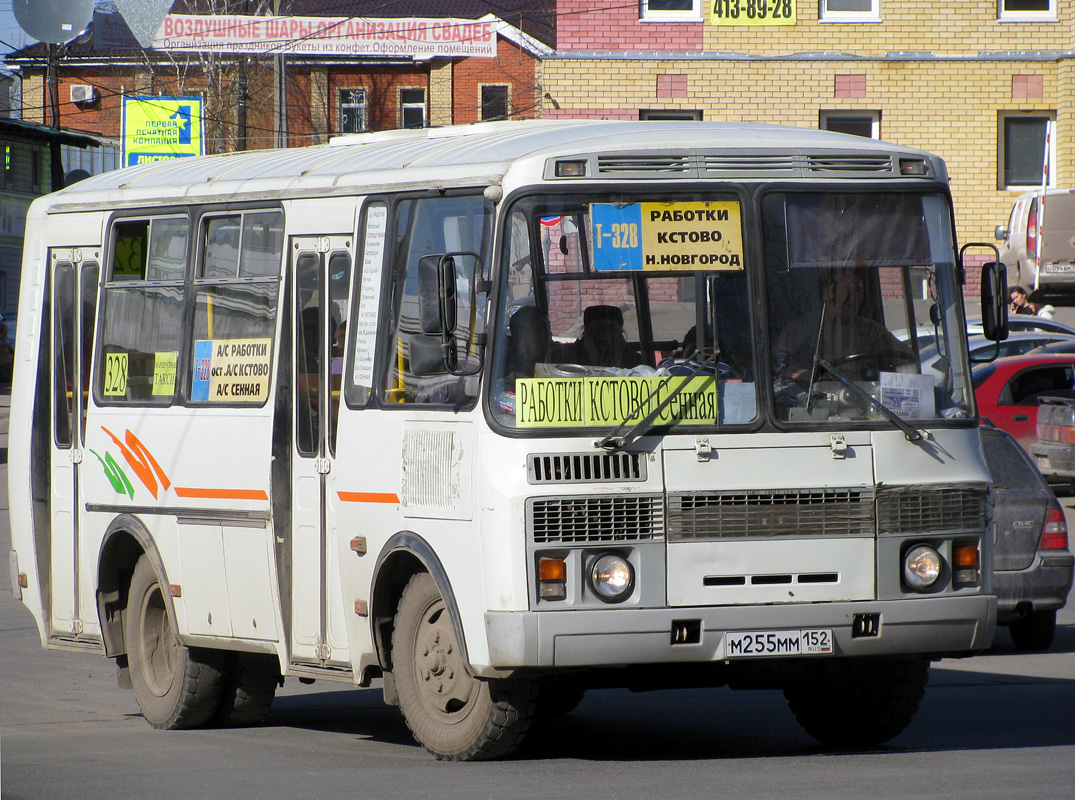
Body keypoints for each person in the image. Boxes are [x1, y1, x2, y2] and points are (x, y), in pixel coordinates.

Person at [777, 268, 913, 383]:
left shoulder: (870, 329)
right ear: (827, 294)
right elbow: (779, 362)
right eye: (847, 291)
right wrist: (813, 378)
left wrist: (885, 343)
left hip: (860, 400)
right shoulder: (805, 326)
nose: (854, 297)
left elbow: (909, 362)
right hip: (815, 400)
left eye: (858, 291)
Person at [548, 304, 642, 368]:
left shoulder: (634, 360)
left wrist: (618, 362)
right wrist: (592, 359)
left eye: (611, 328)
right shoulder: (562, 356)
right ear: (587, 332)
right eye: (600, 328)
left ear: (619, 333)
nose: (606, 334)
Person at [504, 305, 552, 388]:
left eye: (548, 328)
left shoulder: (556, 355)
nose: (548, 334)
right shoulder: (503, 364)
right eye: (541, 329)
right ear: (522, 335)